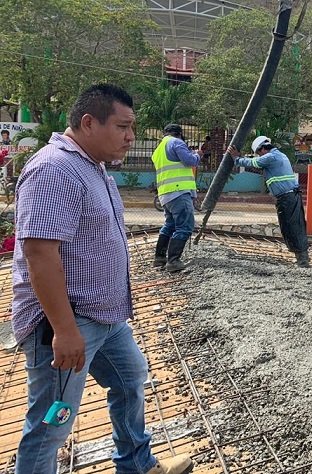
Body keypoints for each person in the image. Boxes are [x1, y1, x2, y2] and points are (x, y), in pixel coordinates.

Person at [11, 84, 193, 474]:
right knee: (51, 423)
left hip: (104, 318)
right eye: (123, 127)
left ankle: (137, 464)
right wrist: (64, 329)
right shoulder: (53, 170)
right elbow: (40, 254)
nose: (131, 137)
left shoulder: (92, 166)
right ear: (89, 123)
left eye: (132, 128)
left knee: (130, 380)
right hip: (66, 321)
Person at [228, 136, 310, 266]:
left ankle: (302, 260)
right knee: (294, 226)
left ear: (262, 149)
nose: (259, 155)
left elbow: (254, 163)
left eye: (259, 153)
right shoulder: (280, 155)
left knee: (291, 228)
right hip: (291, 196)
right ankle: (302, 256)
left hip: (287, 198)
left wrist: (236, 159)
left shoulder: (271, 157)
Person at [151, 123, 199, 272]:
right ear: (179, 133)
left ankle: (159, 258)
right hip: (179, 192)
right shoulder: (176, 142)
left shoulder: (158, 149)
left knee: (170, 225)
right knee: (185, 226)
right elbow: (190, 161)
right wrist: (197, 155)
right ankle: (173, 261)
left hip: (165, 194)